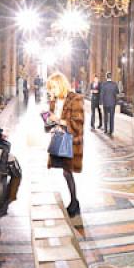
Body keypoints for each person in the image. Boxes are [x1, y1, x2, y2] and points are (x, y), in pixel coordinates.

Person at [46, 71, 84, 217]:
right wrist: (48, 120)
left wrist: (59, 120)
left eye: (54, 87)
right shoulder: (54, 101)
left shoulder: (75, 99)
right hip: (59, 138)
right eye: (50, 88)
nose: (52, 91)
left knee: (68, 172)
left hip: (71, 141)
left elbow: (78, 124)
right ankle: (74, 201)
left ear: (61, 85)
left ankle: (75, 202)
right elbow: (50, 121)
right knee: (65, 172)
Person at [101, 71, 119, 136]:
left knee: (105, 117)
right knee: (112, 117)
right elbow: (117, 92)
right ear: (111, 77)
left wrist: (101, 103)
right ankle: (111, 131)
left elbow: (101, 94)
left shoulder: (103, 84)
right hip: (112, 103)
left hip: (105, 103)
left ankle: (105, 130)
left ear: (106, 77)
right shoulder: (115, 84)